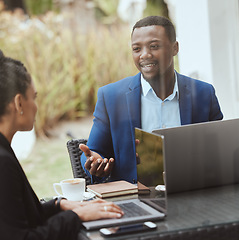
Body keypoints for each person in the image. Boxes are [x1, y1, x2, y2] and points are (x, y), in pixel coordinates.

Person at [0, 32, 123, 240]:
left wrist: (59, 205)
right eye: (34, 97)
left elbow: (16, 216)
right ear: (18, 103)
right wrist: (77, 215)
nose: (36, 106)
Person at [80, 16, 223, 184]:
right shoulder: (111, 96)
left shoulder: (204, 93)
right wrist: (95, 162)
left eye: (154, 46)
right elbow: (94, 151)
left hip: (194, 192)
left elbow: (220, 150)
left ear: (175, 48)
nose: (145, 55)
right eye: (136, 49)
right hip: (135, 198)